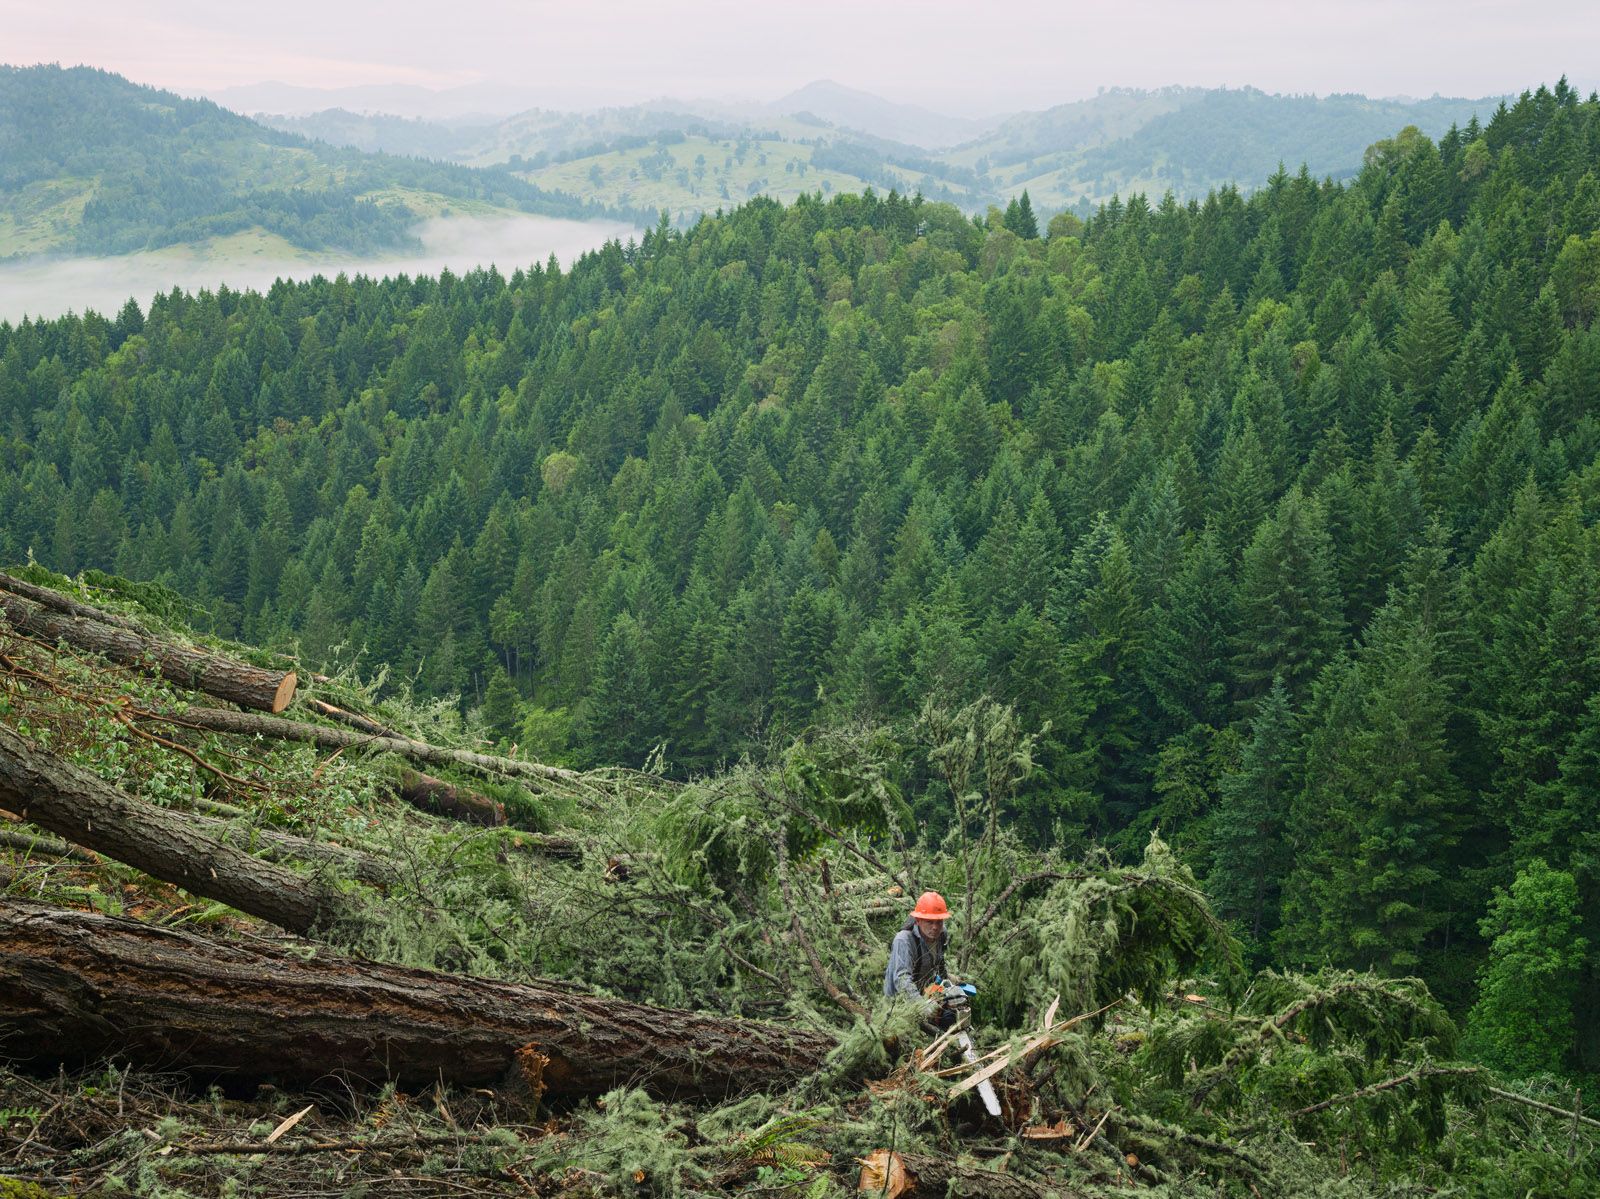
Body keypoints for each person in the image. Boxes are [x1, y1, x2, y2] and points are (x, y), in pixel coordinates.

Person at [883, 891, 953, 1015]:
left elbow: (940, 963)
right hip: (897, 1005)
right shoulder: (904, 940)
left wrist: (948, 986)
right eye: (930, 922)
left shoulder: (942, 934)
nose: (935, 927)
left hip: (921, 994)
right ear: (918, 920)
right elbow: (902, 980)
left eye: (939, 921)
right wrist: (921, 1006)